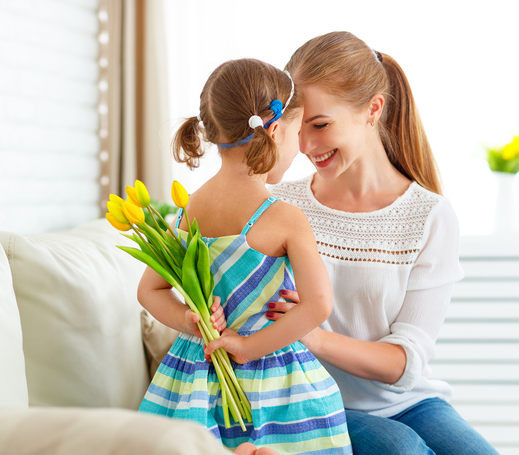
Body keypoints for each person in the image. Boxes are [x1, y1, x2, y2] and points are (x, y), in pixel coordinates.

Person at [265, 31, 499, 455]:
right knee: (402, 450)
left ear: (373, 109)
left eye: (320, 125)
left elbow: (404, 364)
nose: (304, 147)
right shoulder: (280, 206)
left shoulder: (429, 216)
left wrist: (312, 334)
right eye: (298, 128)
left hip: (408, 402)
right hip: (309, 397)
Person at [137, 58, 352, 455]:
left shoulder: (189, 210)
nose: (300, 149)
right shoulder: (285, 218)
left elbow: (149, 291)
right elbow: (319, 304)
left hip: (195, 376)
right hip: (272, 380)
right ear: (273, 130)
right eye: (296, 133)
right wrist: (249, 348)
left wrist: (191, 319)